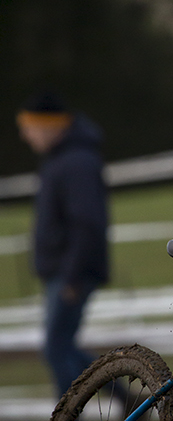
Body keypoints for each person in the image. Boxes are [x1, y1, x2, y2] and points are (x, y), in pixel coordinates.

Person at [17, 91, 110, 399]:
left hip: (70, 272)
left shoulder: (74, 163)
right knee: (62, 346)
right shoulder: (63, 160)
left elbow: (87, 224)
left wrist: (71, 276)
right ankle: (124, 397)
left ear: (48, 126)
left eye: (28, 127)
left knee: (57, 348)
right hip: (63, 270)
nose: (25, 135)